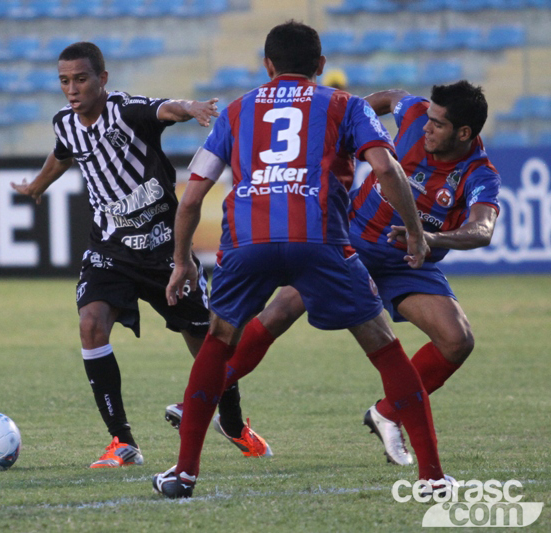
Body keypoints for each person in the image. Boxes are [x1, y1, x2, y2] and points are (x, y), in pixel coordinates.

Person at [153, 20, 451, 499]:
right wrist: (417, 233)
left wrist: (182, 261)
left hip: (248, 243)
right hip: (321, 242)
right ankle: (433, 478)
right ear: (320, 66)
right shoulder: (345, 105)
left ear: (267, 66)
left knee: (218, 340)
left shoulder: (236, 110)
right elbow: (386, 168)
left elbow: (190, 198)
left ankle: (184, 473)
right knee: (384, 345)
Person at [212, 81, 500, 467]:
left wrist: (429, 236)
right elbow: (390, 97)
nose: (427, 128)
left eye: (439, 125)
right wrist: (345, 126)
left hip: (408, 260)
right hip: (352, 243)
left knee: (457, 340)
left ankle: (386, 412)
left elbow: (482, 230)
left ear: (465, 133)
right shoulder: (414, 114)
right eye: (429, 119)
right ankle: (204, 395)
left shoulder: (479, 173)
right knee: (279, 312)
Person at [12, 42, 271, 468]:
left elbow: (165, 109)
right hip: (110, 249)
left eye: (80, 79)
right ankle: (122, 441)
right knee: (91, 325)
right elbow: (63, 153)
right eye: (64, 81)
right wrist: (38, 186)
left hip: (166, 252)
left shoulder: (126, 111)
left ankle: (233, 422)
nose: (72, 89)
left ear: (102, 79)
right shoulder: (66, 123)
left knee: (207, 341)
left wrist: (192, 107)